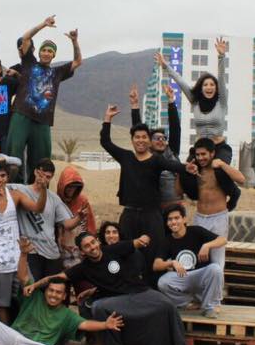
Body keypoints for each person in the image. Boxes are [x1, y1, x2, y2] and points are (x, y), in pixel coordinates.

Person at [26, 231, 193, 345]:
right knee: (98, 306)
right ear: (82, 251)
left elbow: (137, 242)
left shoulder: (114, 249)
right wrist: (34, 285)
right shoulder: (84, 268)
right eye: (87, 246)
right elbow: (57, 277)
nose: (92, 247)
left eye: (93, 242)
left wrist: (144, 238)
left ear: (98, 241)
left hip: (140, 292)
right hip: (120, 301)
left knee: (168, 305)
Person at [99, 103, 189, 285]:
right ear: (132, 140)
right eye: (137, 137)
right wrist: (107, 119)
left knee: (153, 253)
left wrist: (189, 167)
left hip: (151, 216)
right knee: (127, 251)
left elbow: (174, 166)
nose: (140, 140)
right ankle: (128, 286)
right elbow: (106, 142)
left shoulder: (157, 160)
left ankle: (153, 289)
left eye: (144, 137)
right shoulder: (126, 157)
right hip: (129, 214)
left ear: (149, 141)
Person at [5, 16, 82, 181]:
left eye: (50, 51)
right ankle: (12, 188)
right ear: (39, 52)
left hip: (43, 120)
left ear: (53, 55)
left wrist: (74, 41)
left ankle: (37, 191)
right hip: (22, 114)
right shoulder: (29, 63)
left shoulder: (57, 73)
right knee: (14, 155)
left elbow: (77, 61)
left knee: (41, 161)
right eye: (44, 50)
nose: (46, 53)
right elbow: (25, 38)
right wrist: (43, 25)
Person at [0, 160, 49, 324]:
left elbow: (38, 208)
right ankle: (6, 336)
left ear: (8, 177)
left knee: (30, 294)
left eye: (3, 176)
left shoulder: (15, 195)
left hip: (18, 259)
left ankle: (28, 332)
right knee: (0, 305)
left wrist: (44, 189)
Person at [156, 37, 233, 163]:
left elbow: (221, 78)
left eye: (212, 85)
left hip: (219, 148)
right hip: (200, 148)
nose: (209, 87)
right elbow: (181, 82)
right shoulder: (195, 102)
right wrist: (166, 66)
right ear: (201, 88)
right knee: (187, 170)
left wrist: (221, 56)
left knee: (219, 168)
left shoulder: (221, 102)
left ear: (216, 88)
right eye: (205, 85)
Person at [8, 158, 84, 281]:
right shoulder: (19, 190)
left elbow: (67, 224)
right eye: (41, 175)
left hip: (51, 252)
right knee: (32, 287)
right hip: (31, 251)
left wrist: (79, 217)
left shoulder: (54, 198)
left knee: (53, 286)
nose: (43, 179)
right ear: (35, 172)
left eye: (48, 177)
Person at [154, 205, 226, 318]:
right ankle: (188, 302)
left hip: (201, 275)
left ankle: (209, 307)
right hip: (183, 278)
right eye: (170, 219)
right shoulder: (166, 240)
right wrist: (171, 263)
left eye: (177, 218)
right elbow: (156, 265)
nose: (173, 222)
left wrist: (207, 245)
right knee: (163, 282)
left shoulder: (196, 231)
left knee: (215, 269)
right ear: (167, 223)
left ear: (184, 219)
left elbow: (223, 240)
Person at [130, 82, 184, 208]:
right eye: (156, 138)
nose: (161, 140)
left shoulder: (172, 152)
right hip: (152, 208)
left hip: (174, 207)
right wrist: (135, 105)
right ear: (149, 142)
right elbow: (138, 129)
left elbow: (175, 128)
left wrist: (171, 101)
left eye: (163, 138)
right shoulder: (146, 155)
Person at [57, 166, 97, 272]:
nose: (72, 190)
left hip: (80, 247)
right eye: (69, 187)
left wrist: (91, 240)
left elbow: (90, 223)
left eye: (75, 187)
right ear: (62, 186)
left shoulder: (82, 200)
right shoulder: (56, 200)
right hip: (60, 248)